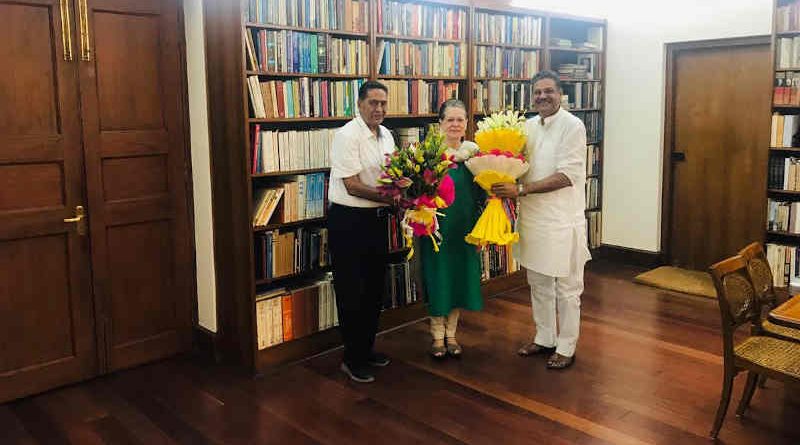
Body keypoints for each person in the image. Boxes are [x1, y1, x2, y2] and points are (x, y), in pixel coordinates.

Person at [492, 70, 591, 370]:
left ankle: (566, 346)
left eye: (549, 91)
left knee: (568, 287)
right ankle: (545, 336)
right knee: (538, 282)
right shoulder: (528, 126)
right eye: (537, 92)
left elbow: (567, 175)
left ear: (560, 94)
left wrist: (520, 189)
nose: (543, 97)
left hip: (562, 220)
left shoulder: (573, 126)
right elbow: (515, 163)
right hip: (533, 218)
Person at [328, 80, 397, 383]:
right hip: (349, 221)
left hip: (377, 220)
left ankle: (367, 350)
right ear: (359, 104)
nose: (379, 108)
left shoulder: (387, 135)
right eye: (373, 103)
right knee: (351, 291)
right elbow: (352, 185)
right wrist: (394, 197)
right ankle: (351, 358)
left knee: (373, 291)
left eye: (383, 103)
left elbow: (393, 175)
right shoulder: (346, 135)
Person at [421, 99, 483, 359]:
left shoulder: (475, 155)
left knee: (459, 278)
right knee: (438, 277)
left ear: (467, 123)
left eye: (460, 120)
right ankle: (437, 336)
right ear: (440, 124)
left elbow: (482, 192)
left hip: (464, 227)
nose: (455, 124)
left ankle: (452, 335)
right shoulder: (428, 155)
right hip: (436, 228)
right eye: (450, 120)